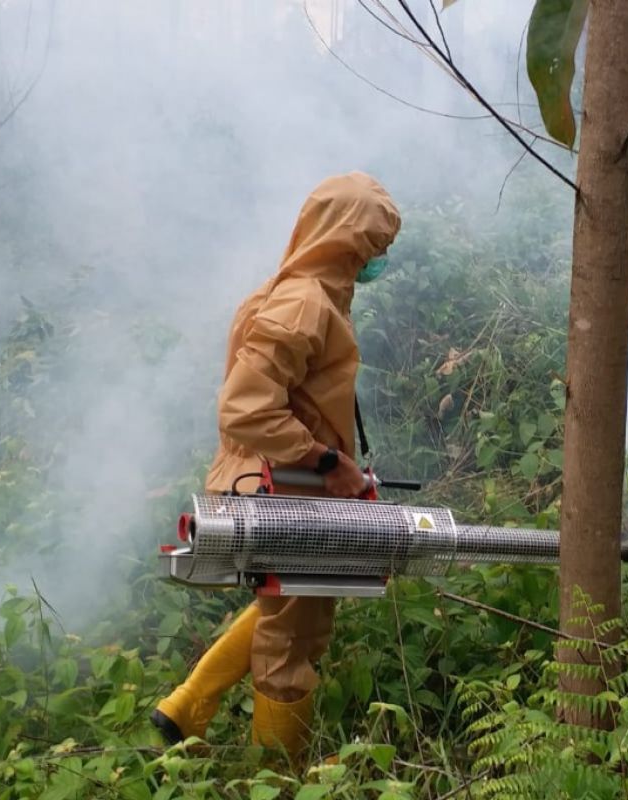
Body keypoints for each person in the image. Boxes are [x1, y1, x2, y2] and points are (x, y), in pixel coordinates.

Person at [150, 172, 401, 757]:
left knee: (285, 605)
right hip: (282, 489)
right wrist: (329, 464)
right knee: (294, 640)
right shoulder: (303, 303)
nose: (376, 259)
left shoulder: (294, 293)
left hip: (282, 487)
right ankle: (277, 781)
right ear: (343, 239)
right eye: (372, 246)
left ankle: (187, 707)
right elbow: (245, 409)